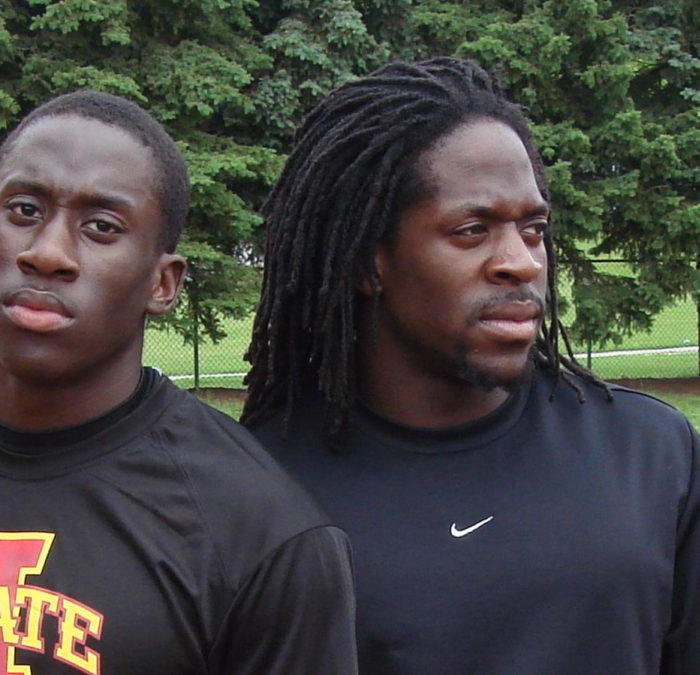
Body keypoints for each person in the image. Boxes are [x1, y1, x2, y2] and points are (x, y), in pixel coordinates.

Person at [0, 91, 357, 675]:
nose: (48, 253)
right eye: (25, 211)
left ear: (163, 283)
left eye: (101, 227)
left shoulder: (261, 527)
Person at [244, 58, 699, 673]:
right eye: (470, 230)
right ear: (365, 262)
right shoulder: (260, 488)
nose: (521, 262)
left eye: (533, 229)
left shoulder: (653, 454)